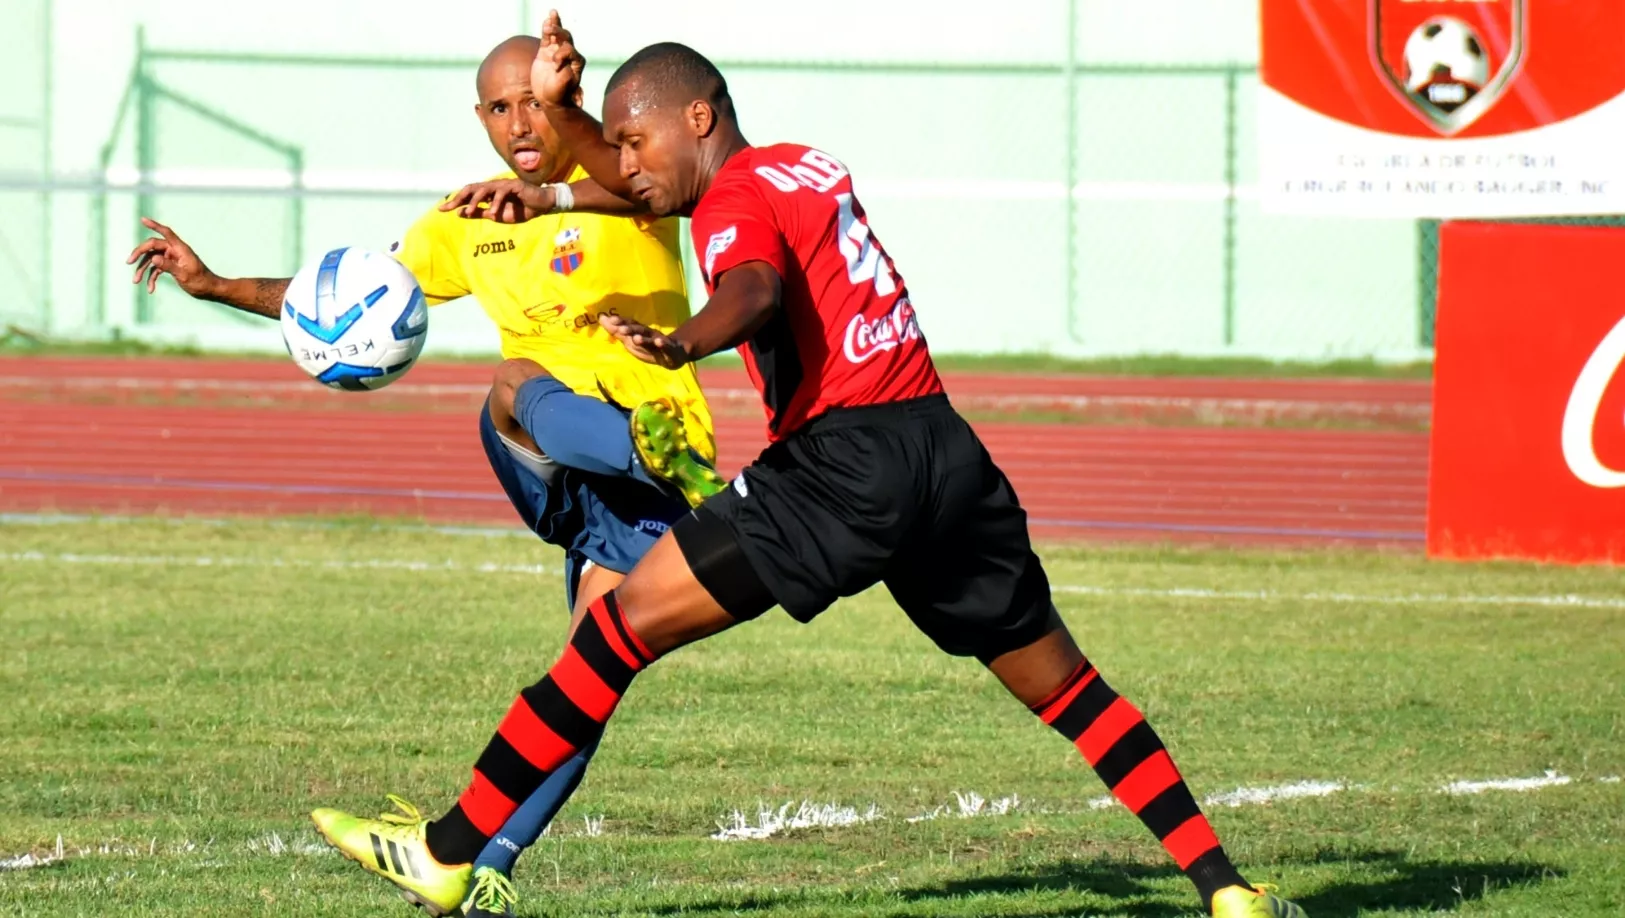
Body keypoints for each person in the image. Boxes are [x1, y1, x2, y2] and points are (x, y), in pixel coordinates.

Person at [309, 13, 1308, 918]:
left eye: (634, 139)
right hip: (944, 451)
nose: (623, 163)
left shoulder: (734, 198)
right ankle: (1225, 890)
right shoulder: (802, 165)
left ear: (695, 115)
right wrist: (564, 147)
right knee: (1065, 689)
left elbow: (747, 286)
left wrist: (682, 341)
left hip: (842, 464)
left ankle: (445, 852)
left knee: (611, 633)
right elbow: (639, 193)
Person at [125, 34, 724, 918]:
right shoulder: (462, 221)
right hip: (568, 469)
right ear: (478, 118)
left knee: (580, 676)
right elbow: (355, 295)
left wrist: (562, 165)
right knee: (510, 391)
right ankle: (631, 445)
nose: (521, 122)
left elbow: (636, 180)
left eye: (535, 99)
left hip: (648, 476)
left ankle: (483, 864)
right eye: (499, 107)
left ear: (565, 95)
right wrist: (217, 287)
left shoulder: (625, 184)